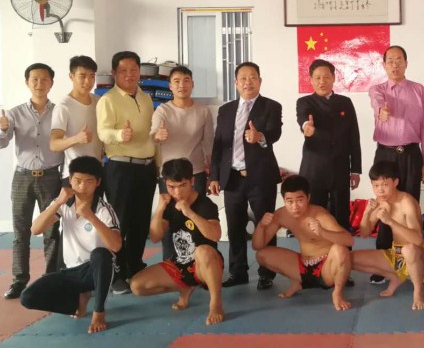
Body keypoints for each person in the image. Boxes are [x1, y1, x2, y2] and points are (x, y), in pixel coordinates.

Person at [20, 156, 121, 334]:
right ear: (70, 180)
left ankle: (99, 312)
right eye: (78, 181)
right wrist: (58, 201)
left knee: (101, 254)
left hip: (96, 271)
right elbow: (35, 229)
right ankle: (76, 303)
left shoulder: (103, 209)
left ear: (98, 183)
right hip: (71, 272)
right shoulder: (64, 204)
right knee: (28, 297)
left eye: (89, 181)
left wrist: (91, 217)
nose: (82, 187)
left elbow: (116, 246)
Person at [210, 61, 282, 291]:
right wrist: (214, 176)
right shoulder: (225, 110)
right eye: (243, 78)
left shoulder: (271, 106)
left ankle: (267, 272)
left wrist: (260, 136)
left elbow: (275, 132)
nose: (248, 82)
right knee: (235, 226)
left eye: (252, 77)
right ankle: (238, 271)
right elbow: (218, 145)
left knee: (265, 225)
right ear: (235, 83)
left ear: (260, 81)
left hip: (260, 177)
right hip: (232, 177)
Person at [0, 63, 63, 299]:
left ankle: (51, 278)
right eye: (34, 79)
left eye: (44, 79)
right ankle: (19, 280)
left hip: (51, 176)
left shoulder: (60, 112)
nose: (39, 84)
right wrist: (3, 130)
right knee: (20, 231)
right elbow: (0, 143)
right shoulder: (14, 113)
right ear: (27, 82)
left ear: (51, 83)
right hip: (22, 176)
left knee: (52, 231)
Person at [367, 46, 424, 284]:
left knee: (410, 206)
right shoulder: (378, 90)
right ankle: (383, 265)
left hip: (411, 154)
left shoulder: (418, 90)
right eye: (390, 61)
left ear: (406, 63)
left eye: (399, 60)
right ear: (384, 65)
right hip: (386, 155)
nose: (395, 65)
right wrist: (382, 111)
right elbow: (377, 103)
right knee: (385, 206)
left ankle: (410, 263)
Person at [130, 158, 225, 326]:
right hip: (179, 264)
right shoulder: (169, 205)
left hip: (205, 265)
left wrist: (190, 213)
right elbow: (155, 237)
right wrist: (160, 209)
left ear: (192, 181)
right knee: (137, 286)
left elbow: (215, 235)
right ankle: (184, 287)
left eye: (182, 186)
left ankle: (215, 303)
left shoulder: (205, 204)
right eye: (171, 187)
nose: (177, 192)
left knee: (203, 250)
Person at [96, 51, 156, 294]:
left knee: (141, 221)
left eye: (134, 70)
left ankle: (135, 266)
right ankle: (117, 273)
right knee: (120, 222)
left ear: (140, 71)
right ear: (114, 73)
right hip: (120, 167)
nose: (129, 75)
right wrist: (120, 134)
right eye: (123, 71)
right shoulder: (107, 100)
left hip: (147, 167)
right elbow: (103, 132)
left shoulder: (146, 98)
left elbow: (152, 132)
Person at [252, 174, 353, 310]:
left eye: (300, 200)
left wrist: (323, 232)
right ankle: (297, 282)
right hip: (303, 265)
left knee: (340, 250)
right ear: (284, 200)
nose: (295, 206)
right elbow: (257, 246)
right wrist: (261, 226)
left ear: (308, 198)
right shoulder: (281, 215)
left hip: (326, 268)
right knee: (262, 255)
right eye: (289, 201)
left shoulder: (320, 215)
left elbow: (349, 240)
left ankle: (337, 293)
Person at [351, 161, 424, 310]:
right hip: (396, 254)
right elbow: (364, 234)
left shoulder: (406, 202)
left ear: (395, 182)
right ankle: (396, 276)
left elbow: (417, 239)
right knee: (348, 259)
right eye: (376, 185)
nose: (380, 190)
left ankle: (418, 293)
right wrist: (367, 212)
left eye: (385, 185)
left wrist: (390, 222)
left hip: (419, 255)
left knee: (409, 249)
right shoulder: (379, 202)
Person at [150, 66, 214, 259]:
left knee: (196, 218)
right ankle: (170, 263)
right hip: (169, 176)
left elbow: (209, 144)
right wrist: (158, 136)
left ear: (192, 84)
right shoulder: (163, 110)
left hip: (195, 174)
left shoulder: (203, 111)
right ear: (170, 86)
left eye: (186, 81)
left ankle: (199, 263)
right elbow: (153, 136)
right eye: (176, 81)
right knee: (169, 220)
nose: (181, 85)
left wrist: (213, 175)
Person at [296, 59, 361, 231]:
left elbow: (354, 137)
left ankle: (342, 247)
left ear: (333, 78)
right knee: (314, 216)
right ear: (311, 80)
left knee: (341, 217)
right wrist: (306, 127)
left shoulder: (345, 102)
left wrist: (355, 170)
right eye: (317, 78)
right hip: (314, 169)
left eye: (326, 77)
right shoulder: (305, 102)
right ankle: (316, 248)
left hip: (340, 168)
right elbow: (302, 118)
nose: (322, 81)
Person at [50, 56, 103, 185]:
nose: (88, 81)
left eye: (92, 76)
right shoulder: (64, 106)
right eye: (82, 76)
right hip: (75, 176)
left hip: (97, 172)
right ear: (71, 76)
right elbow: (54, 144)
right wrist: (76, 139)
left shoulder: (98, 101)